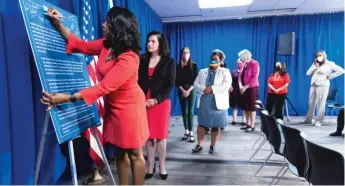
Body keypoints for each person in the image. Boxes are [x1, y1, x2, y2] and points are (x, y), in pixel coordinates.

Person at [41, 7, 149, 185]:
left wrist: (66, 98)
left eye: (108, 22)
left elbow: (104, 87)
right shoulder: (107, 45)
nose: (103, 24)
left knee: (135, 154)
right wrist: (58, 25)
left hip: (130, 110)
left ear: (118, 26)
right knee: (120, 151)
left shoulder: (130, 58)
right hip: (113, 108)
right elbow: (80, 45)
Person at [138, 31, 176, 180]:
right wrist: (141, 98)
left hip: (160, 102)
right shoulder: (142, 59)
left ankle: (162, 165)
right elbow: (138, 81)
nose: (149, 44)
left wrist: (156, 99)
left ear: (160, 43)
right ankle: (149, 166)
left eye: (153, 41)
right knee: (148, 137)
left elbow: (170, 84)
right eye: (148, 41)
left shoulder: (169, 61)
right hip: (144, 101)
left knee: (160, 136)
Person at [192, 50, 232, 154]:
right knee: (201, 124)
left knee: (216, 125)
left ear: (221, 62)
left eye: (216, 60)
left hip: (218, 103)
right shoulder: (202, 71)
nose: (213, 61)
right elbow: (195, 84)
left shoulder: (225, 71)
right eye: (212, 59)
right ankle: (199, 145)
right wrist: (204, 88)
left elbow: (226, 85)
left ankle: (212, 146)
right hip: (205, 100)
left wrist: (212, 89)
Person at [304, 50, 345, 126]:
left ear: (324, 56)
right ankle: (309, 119)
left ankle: (319, 120)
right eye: (318, 55)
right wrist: (314, 66)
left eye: (321, 55)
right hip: (313, 84)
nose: (319, 57)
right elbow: (308, 73)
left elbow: (342, 70)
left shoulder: (329, 64)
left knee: (321, 103)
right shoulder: (315, 64)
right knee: (311, 103)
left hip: (323, 85)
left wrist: (330, 76)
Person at [175, 47, 198, 142]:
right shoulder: (178, 66)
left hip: (191, 89)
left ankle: (191, 132)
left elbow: (196, 80)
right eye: (184, 53)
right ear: (181, 54)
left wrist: (188, 90)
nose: (185, 54)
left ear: (190, 54)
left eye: (187, 52)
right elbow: (176, 81)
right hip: (181, 89)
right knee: (184, 111)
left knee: (190, 111)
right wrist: (183, 91)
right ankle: (186, 131)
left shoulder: (194, 65)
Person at [238, 49, 260, 133]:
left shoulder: (255, 63)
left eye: (241, 58)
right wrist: (240, 86)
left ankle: (252, 125)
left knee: (251, 107)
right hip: (244, 88)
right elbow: (240, 76)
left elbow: (254, 77)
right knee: (245, 107)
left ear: (245, 57)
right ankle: (247, 124)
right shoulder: (244, 64)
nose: (240, 59)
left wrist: (245, 87)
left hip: (252, 88)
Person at [229, 59, 245, 125]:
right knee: (234, 106)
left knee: (244, 106)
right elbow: (229, 80)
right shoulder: (233, 72)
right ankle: (234, 120)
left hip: (243, 90)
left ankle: (243, 121)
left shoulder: (245, 72)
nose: (239, 64)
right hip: (235, 90)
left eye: (240, 63)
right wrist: (230, 86)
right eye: (237, 63)